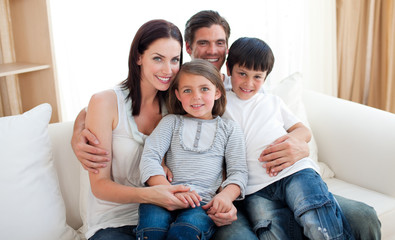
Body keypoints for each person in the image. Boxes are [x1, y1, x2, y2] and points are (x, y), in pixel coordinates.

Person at [71, 10, 381, 240]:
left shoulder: (239, 86)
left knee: (364, 216)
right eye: (203, 43)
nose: (213, 50)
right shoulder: (178, 93)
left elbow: (279, 117)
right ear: (190, 49)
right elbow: (104, 106)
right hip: (170, 204)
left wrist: (300, 139)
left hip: (243, 191)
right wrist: (78, 128)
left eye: (220, 43)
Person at [223, 36, 354, 239]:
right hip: (256, 189)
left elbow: (303, 131)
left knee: (318, 223)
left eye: (258, 76)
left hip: (296, 172)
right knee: (273, 233)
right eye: (242, 74)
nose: (249, 83)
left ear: (266, 77)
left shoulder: (272, 101)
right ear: (229, 69)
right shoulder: (218, 100)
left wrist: (294, 142)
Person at [81, 19, 198, 240]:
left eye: (175, 60)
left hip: (165, 217)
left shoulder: (178, 105)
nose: (168, 70)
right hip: (113, 222)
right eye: (158, 59)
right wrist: (150, 195)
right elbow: (100, 186)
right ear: (138, 57)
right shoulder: (106, 102)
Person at [135, 59, 248, 239]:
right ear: (178, 95)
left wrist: (225, 197)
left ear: (217, 92)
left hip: (201, 204)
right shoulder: (170, 122)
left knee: (185, 232)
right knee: (152, 231)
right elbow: (150, 158)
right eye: (188, 90)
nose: (196, 96)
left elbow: (238, 172)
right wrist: (168, 192)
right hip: (161, 198)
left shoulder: (230, 129)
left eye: (204, 89)